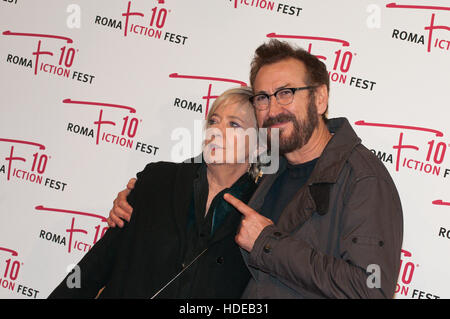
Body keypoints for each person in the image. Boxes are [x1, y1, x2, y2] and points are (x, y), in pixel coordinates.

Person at [110, 39, 404, 299]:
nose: (273, 109)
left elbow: (371, 289)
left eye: (286, 93)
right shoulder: (271, 170)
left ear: (320, 99)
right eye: (263, 97)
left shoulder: (362, 178)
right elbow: (204, 188)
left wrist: (267, 243)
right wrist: (142, 195)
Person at [48, 86, 262, 298]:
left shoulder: (260, 210)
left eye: (234, 124)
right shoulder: (157, 180)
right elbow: (98, 263)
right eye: (214, 121)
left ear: (259, 145)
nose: (217, 130)